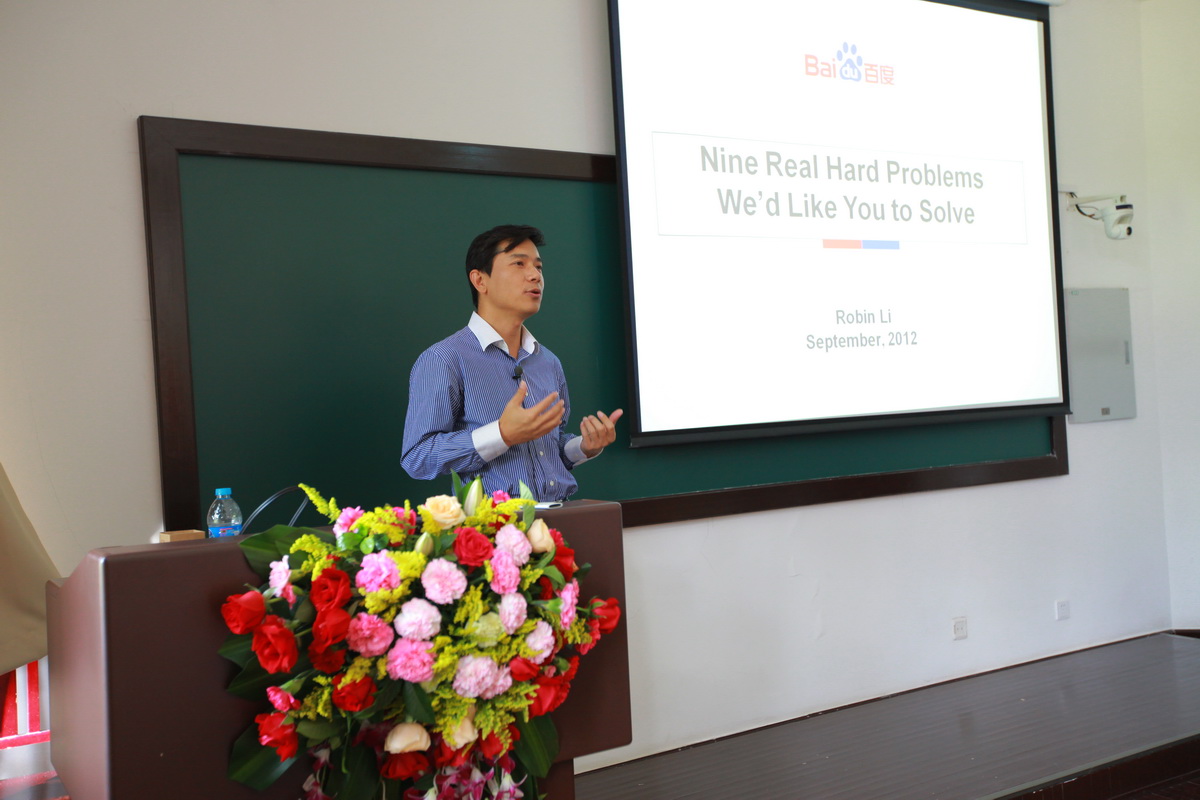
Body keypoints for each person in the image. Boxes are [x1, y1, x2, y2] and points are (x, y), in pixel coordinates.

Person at [401, 224, 622, 501]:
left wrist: (584, 447)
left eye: (538, 267)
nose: (535, 275)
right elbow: (418, 457)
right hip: (494, 523)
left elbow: (546, 450)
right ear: (480, 281)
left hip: (562, 516)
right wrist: (502, 433)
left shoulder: (547, 362)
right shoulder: (444, 359)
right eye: (519, 264)